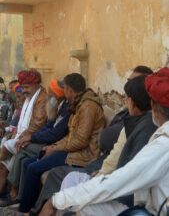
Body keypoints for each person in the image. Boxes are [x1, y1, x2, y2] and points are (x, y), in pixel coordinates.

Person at [40, 67, 169, 216]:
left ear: (152, 105)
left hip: (149, 208)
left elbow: (123, 178)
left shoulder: (162, 142)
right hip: (138, 197)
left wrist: (58, 200)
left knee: (79, 203)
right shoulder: (151, 129)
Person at [18, 73, 105, 213]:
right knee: (30, 163)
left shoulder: (88, 106)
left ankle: (25, 210)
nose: (64, 93)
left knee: (34, 168)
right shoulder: (79, 104)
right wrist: (54, 147)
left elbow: (81, 141)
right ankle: (29, 205)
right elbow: (72, 136)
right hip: (71, 150)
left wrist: (56, 148)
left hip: (82, 155)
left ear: (70, 90)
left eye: (65, 89)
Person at [2, 78, 70, 206]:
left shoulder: (66, 109)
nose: (48, 94)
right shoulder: (57, 105)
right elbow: (47, 126)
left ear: (57, 94)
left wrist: (31, 138)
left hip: (53, 145)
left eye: (51, 92)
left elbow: (56, 133)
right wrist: (30, 138)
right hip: (44, 141)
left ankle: (14, 191)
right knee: (23, 156)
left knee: (21, 148)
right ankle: (18, 195)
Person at [0, 69, 47, 196]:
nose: (24, 90)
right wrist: (15, 136)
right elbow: (20, 124)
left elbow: (37, 125)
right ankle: (9, 191)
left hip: (35, 139)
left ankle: (13, 193)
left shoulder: (42, 99)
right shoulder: (29, 97)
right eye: (23, 87)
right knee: (3, 164)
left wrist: (19, 138)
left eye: (27, 87)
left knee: (7, 148)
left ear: (36, 85)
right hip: (25, 137)